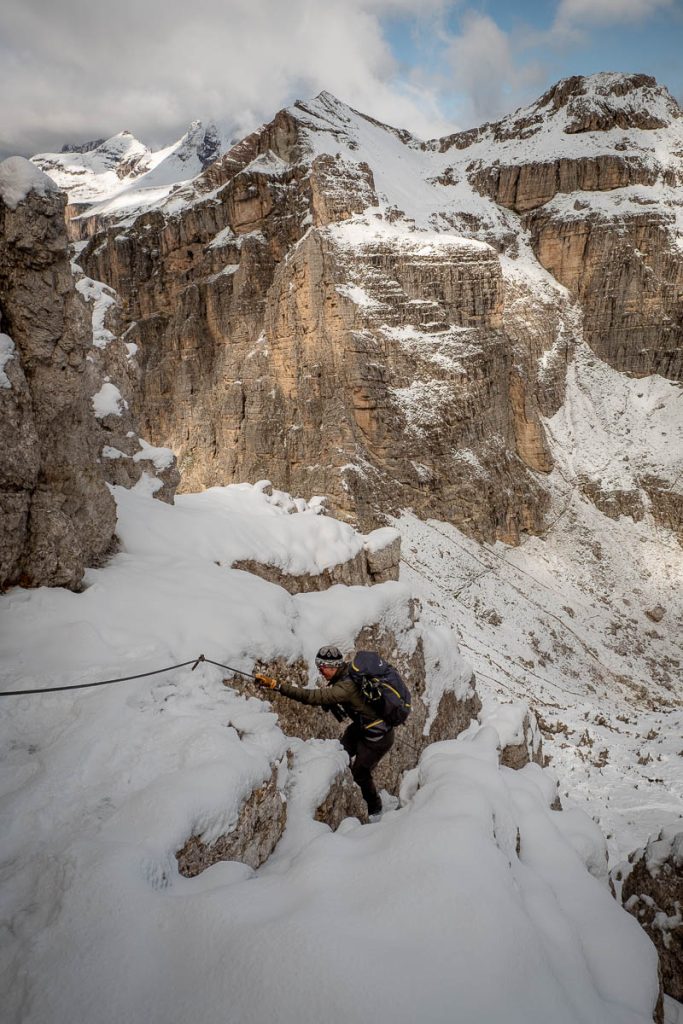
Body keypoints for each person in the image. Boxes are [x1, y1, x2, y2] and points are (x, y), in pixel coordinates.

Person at [255, 646, 394, 817]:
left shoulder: (344, 688)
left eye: (322, 668)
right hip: (362, 727)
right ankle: (345, 781)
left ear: (332, 667)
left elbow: (310, 697)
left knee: (361, 772)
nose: (320, 672)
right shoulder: (349, 671)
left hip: (378, 737)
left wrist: (277, 686)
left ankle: (375, 808)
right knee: (338, 753)